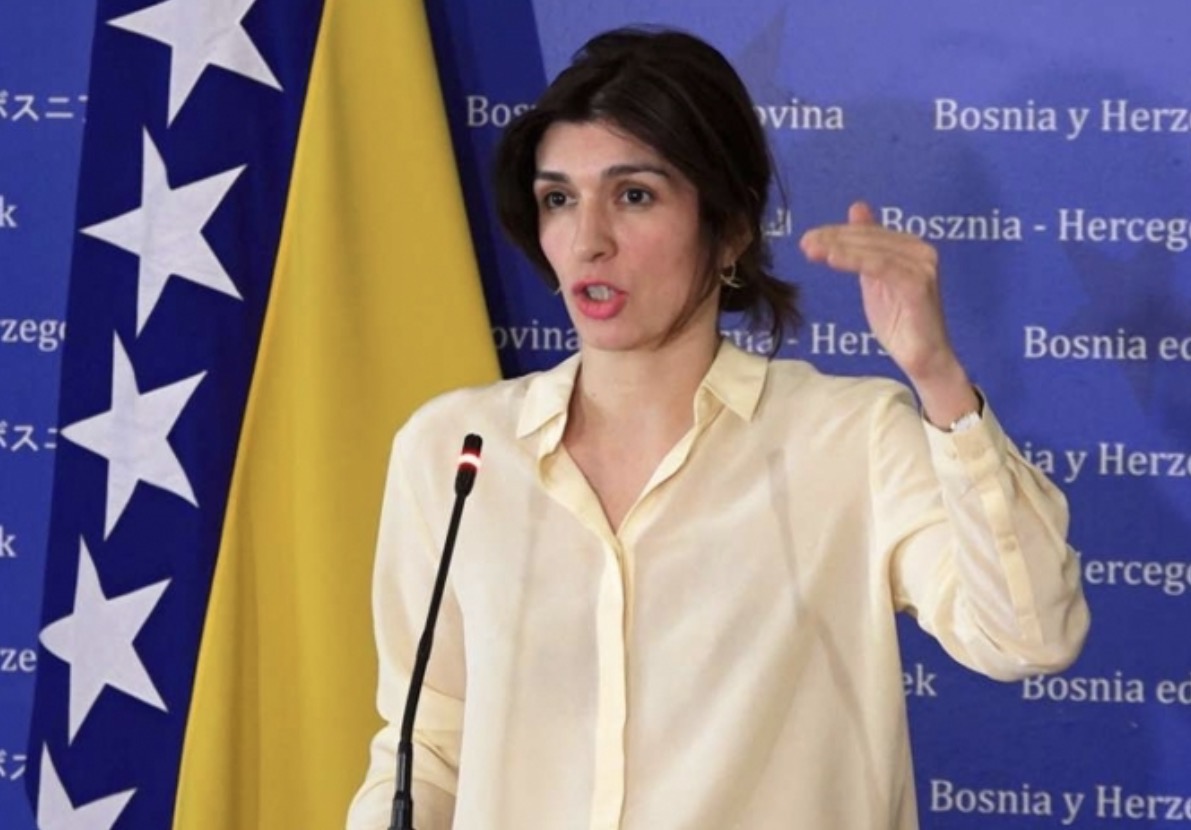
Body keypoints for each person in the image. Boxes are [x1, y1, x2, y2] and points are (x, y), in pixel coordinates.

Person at [347, 27, 1089, 830]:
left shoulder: (849, 438)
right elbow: (429, 744)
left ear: (729, 227)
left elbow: (1028, 637)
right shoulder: (456, 450)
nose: (588, 240)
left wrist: (937, 376)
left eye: (634, 195)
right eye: (559, 198)